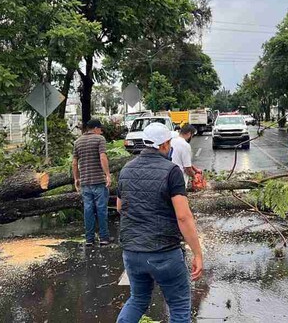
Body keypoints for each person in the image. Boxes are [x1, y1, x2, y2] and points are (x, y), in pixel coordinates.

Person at [116, 123, 203, 323]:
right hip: (163, 252)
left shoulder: (126, 169)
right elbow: (183, 217)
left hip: (132, 252)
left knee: (137, 300)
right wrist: (197, 253)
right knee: (179, 306)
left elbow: (120, 208)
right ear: (164, 144)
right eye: (169, 143)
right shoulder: (171, 171)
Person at [72, 119, 112, 247]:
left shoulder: (77, 142)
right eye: (100, 129)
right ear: (95, 129)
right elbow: (102, 157)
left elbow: (74, 162)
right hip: (99, 181)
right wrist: (107, 174)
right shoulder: (99, 139)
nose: (101, 131)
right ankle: (104, 238)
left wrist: (76, 178)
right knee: (101, 209)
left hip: (85, 182)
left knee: (88, 210)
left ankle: (89, 239)